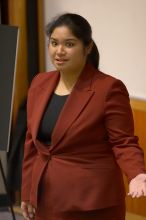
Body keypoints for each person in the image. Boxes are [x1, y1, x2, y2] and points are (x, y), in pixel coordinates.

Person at [21, 13, 146, 220]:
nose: (59, 51)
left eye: (69, 44)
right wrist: (27, 191)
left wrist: (137, 174)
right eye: (54, 43)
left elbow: (123, 142)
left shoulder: (108, 88)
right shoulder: (39, 83)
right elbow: (31, 143)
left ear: (87, 47)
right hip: (46, 195)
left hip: (91, 201)